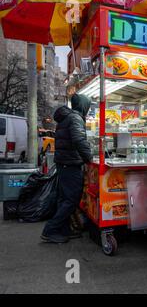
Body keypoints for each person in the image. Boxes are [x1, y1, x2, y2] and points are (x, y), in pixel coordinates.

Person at [41, 94, 93, 244]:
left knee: (64, 198)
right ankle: (50, 230)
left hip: (64, 163)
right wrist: (89, 158)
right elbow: (79, 140)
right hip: (70, 164)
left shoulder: (66, 117)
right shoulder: (76, 118)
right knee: (71, 199)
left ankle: (63, 230)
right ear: (84, 106)